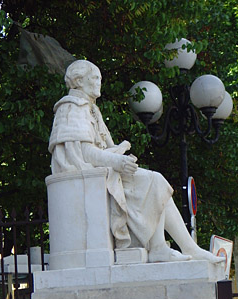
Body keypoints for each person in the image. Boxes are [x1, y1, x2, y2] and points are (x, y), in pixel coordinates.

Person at [49, 59, 224, 264]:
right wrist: (117, 161)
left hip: (102, 173)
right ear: (79, 81)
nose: (99, 82)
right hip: (90, 177)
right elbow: (85, 153)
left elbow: (102, 149)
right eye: (95, 78)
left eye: (100, 78)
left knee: (155, 181)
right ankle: (166, 247)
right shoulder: (71, 108)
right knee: (153, 180)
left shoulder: (91, 109)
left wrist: (119, 153)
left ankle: (180, 247)